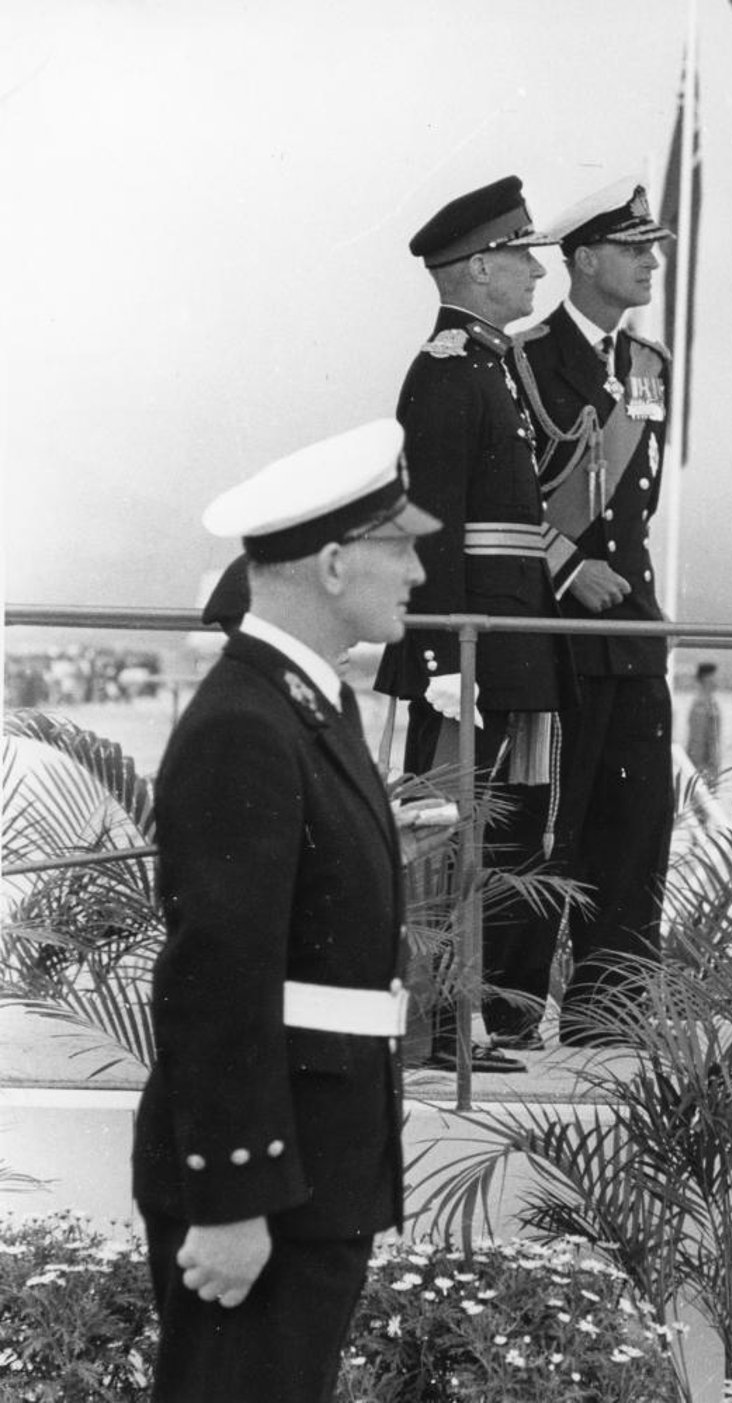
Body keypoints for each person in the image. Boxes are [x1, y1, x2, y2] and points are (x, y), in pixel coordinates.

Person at [132, 419, 440, 1403]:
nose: (419, 572)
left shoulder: (307, 703)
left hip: (316, 1158)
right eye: (401, 546)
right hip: (265, 1179)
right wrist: (230, 1200)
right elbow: (215, 976)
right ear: (337, 562)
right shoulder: (243, 723)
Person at [374, 175, 574, 1065]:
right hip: (469, 648)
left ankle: (469, 1017)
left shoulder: (491, 362)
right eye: (521, 256)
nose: (537, 273)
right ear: (481, 267)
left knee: (501, 830)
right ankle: (441, 1023)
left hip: (506, 639)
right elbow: (433, 525)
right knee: (447, 833)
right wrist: (440, 657)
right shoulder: (449, 369)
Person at [512, 176, 675, 1044]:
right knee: (550, 823)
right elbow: (497, 498)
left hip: (633, 628)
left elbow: (635, 506)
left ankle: (607, 1012)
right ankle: (509, 1009)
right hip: (555, 627)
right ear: (582, 258)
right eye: (633, 248)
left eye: (653, 248)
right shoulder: (524, 359)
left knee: (636, 819)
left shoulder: (650, 368)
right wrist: (567, 566)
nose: (651, 262)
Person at [686, 661, 722, 784]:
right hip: (703, 771)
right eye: (714, 676)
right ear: (707, 679)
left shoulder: (712, 705)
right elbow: (697, 742)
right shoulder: (700, 707)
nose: (717, 680)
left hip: (711, 769)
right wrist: (700, 771)